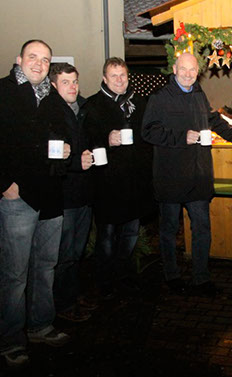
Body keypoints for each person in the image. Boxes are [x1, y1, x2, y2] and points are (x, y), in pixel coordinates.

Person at [0, 40, 70, 368]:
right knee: (14, 274)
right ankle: (10, 339)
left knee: (45, 267)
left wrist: (65, 153)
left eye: (45, 60)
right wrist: (3, 186)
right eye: (33, 57)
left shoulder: (53, 99)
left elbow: (63, 139)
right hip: (16, 199)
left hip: (51, 197)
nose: (39, 64)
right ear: (19, 59)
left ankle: (41, 325)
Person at [141, 52, 232, 296]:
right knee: (169, 230)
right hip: (171, 176)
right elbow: (148, 131)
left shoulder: (198, 94)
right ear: (174, 69)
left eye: (192, 70)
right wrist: (180, 137)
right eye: (183, 69)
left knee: (202, 229)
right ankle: (172, 276)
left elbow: (215, 121)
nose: (188, 74)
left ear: (198, 72)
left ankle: (201, 278)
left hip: (198, 175)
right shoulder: (160, 98)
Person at [83, 57, 154, 299]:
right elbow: (86, 140)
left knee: (130, 235)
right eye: (114, 76)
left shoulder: (139, 103)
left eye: (122, 75)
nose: (119, 80)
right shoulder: (93, 105)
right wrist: (106, 139)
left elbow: (148, 137)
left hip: (135, 183)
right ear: (104, 78)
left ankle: (124, 277)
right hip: (108, 185)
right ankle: (105, 282)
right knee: (107, 237)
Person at [38, 63, 96, 322]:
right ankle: (63, 304)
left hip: (84, 192)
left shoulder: (82, 108)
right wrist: (75, 162)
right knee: (64, 254)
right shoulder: (49, 111)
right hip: (63, 194)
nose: (72, 86)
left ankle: (73, 295)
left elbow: (89, 140)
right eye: (65, 82)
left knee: (77, 251)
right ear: (53, 85)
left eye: (74, 81)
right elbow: (49, 153)